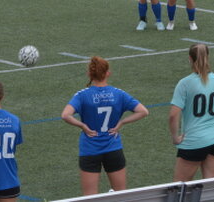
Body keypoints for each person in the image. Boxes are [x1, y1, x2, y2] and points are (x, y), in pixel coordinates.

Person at [61, 56, 149, 195]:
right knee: (121, 195)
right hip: (113, 148)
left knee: (90, 197)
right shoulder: (119, 94)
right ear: (108, 73)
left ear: (89, 74)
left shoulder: (82, 95)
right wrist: (122, 122)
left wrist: (83, 126)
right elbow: (143, 111)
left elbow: (65, 115)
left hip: (89, 149)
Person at [169, 44, 214, 181]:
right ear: (208, 57)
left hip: (195, 140)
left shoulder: (185, 83)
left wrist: (175, 137)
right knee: (210, 184)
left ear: (190, 59)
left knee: (179, 186)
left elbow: (173, 115)